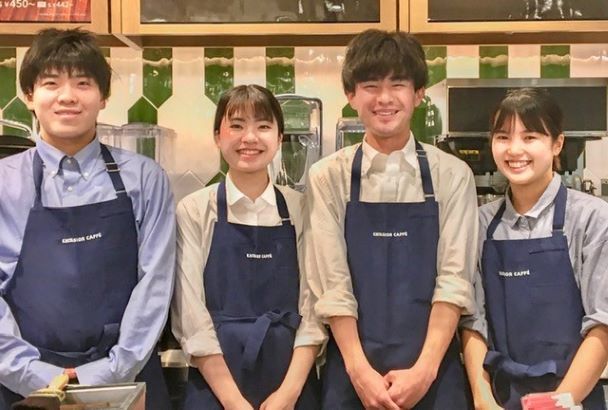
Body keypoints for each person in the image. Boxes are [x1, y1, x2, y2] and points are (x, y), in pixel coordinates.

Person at [0, 29, 175, 409]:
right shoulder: (3, 182)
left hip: (128, 380)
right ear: (29, 95)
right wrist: (32, 374)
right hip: (23, 387)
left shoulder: (145, 178)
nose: (67, 96)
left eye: (82, 83)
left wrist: (109, 372)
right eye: (51, 83)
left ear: (103, 97)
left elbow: (156, 284)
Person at [304, 29, 478, 409]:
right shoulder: (327, 176)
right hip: (352, 375)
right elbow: (331, 284)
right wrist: (359, 373)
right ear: (351, 96)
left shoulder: (452, 175)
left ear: (418, 94)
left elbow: (454, 280)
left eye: (398, 84)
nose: (384, 98)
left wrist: (424, 371)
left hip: (434, 375)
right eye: (371, 86)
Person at [171, 84, 325, 409]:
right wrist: (233, 401)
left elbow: (313, 308)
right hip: (215, 386)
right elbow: (190, 315)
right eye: (237, 126)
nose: (250, 138)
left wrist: (288, 394)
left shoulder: (301, 208)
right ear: (218, 136)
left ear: (279, 138)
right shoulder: (195, 210)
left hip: (291, 384)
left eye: (263, 126)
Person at [461, 88, 608, 409]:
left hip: (573, 398)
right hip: (500, 396)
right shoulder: (480, 223)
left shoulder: (592, 218)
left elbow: (603, 323)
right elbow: (473, 321)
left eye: (530, 137)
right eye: (503, 137)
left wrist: (557, 403)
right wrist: (483, 399)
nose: (515, 149)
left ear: (557, 144)